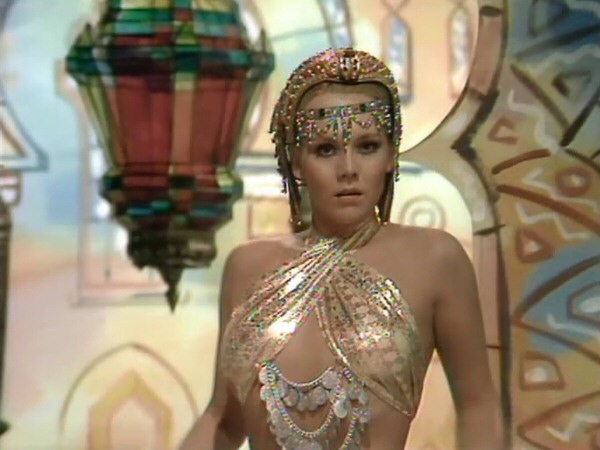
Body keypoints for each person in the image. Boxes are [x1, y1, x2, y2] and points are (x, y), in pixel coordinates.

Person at [179, 48, 504, 450]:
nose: (348, 169)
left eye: (367, 146)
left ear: (391, 155)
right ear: (297, 162)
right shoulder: (246, 267)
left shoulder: (436, 259)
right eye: (326, 150)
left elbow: (477, 405)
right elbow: (223, 419)